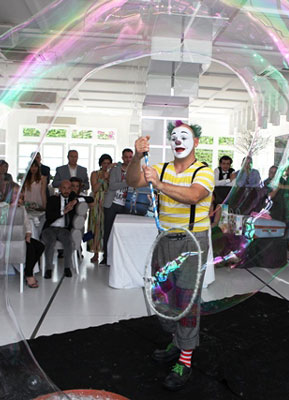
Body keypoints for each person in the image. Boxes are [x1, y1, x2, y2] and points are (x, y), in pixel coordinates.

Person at [127, 120, 214, 391]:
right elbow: (133, 181)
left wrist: (160, 184)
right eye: (174, 136)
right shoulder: (161, 168)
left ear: (195, 142)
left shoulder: (204, 171)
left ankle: (185, 359)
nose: (178, 140)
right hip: (164, 240)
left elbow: (194, 196)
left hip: (192, 242)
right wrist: (137, 156)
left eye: (184, 136)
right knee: (162, 296)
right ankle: (177, 340)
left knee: (186, 300)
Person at [41, 179, 93, 279]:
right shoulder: (53, 199)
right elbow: (48, 216)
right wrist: (63, 212)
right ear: (60, 189)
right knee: (50, 242)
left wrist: (76, 201)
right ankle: (48, 269)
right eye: (64, 188)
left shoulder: (72, 198)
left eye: (69, 188)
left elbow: (90, 199)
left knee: (68, 242)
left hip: (64, 229)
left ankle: (67, 268)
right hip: (50, 228)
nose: (66, 191)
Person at [102, 148, 133, 266]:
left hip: (126, 205)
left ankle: (119, 258)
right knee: (108, 231)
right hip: (112, 203)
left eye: (130, 157)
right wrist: (128, 182)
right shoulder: (115, 169)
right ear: (122, 158)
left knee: (123, 232)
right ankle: (106, 257)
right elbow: (112, 186)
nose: (128, 159)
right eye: (126, 157)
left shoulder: (134, 170)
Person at [88, 154, 112, 263]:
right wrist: (103, 178)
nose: (106, 165)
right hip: (97, 202)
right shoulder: (95, 173)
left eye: (108, 163)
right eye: (104, 163)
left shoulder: (112, 174)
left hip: (108, 201)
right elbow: (94, 188)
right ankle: (95, 252)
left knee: (106, 227)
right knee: (96, 227)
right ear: (101, 164)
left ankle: (106, 253)